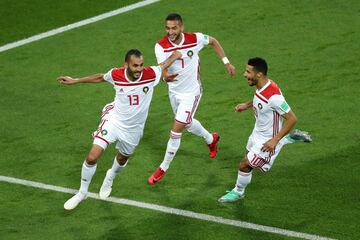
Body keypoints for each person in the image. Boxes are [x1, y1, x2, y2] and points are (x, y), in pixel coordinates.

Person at [58, 49, 182, 210]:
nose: (139, 69)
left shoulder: (150, 74)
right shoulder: (116, 74)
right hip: (114, 121)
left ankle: (110, 176)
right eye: (135, 65)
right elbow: (100, 77)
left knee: (122, 159)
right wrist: (75, 80)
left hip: (134, 129)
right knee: (92, 157)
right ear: (126, 65)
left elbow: (163, 64)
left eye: (141, 65)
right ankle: (82, 193)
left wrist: (176, 54)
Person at [148, 13, 236, 184]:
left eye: (174, 28)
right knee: (187, 124)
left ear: (181, 27)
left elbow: (213, 41)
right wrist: (166, 77)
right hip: (174, 92)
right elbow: (163, 71)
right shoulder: (160, 46)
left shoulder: (195, 39)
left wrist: (226, 62)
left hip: (191, 93)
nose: (170, 31)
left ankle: (162, 168)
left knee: (176, 131)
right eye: (167, 28)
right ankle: (211, 138)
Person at [218, 57, 312, 203]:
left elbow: (292, 118)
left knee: (244, 164)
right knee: (248, 158)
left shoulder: (274, 97)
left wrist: (275, 140)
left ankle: (238, 191)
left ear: (259, 74)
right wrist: (247, 105)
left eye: (248, 72)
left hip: (268, 139)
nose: (244, 75)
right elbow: (260, 100)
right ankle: (290, 138)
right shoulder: (263, 86)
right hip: (257, 132)